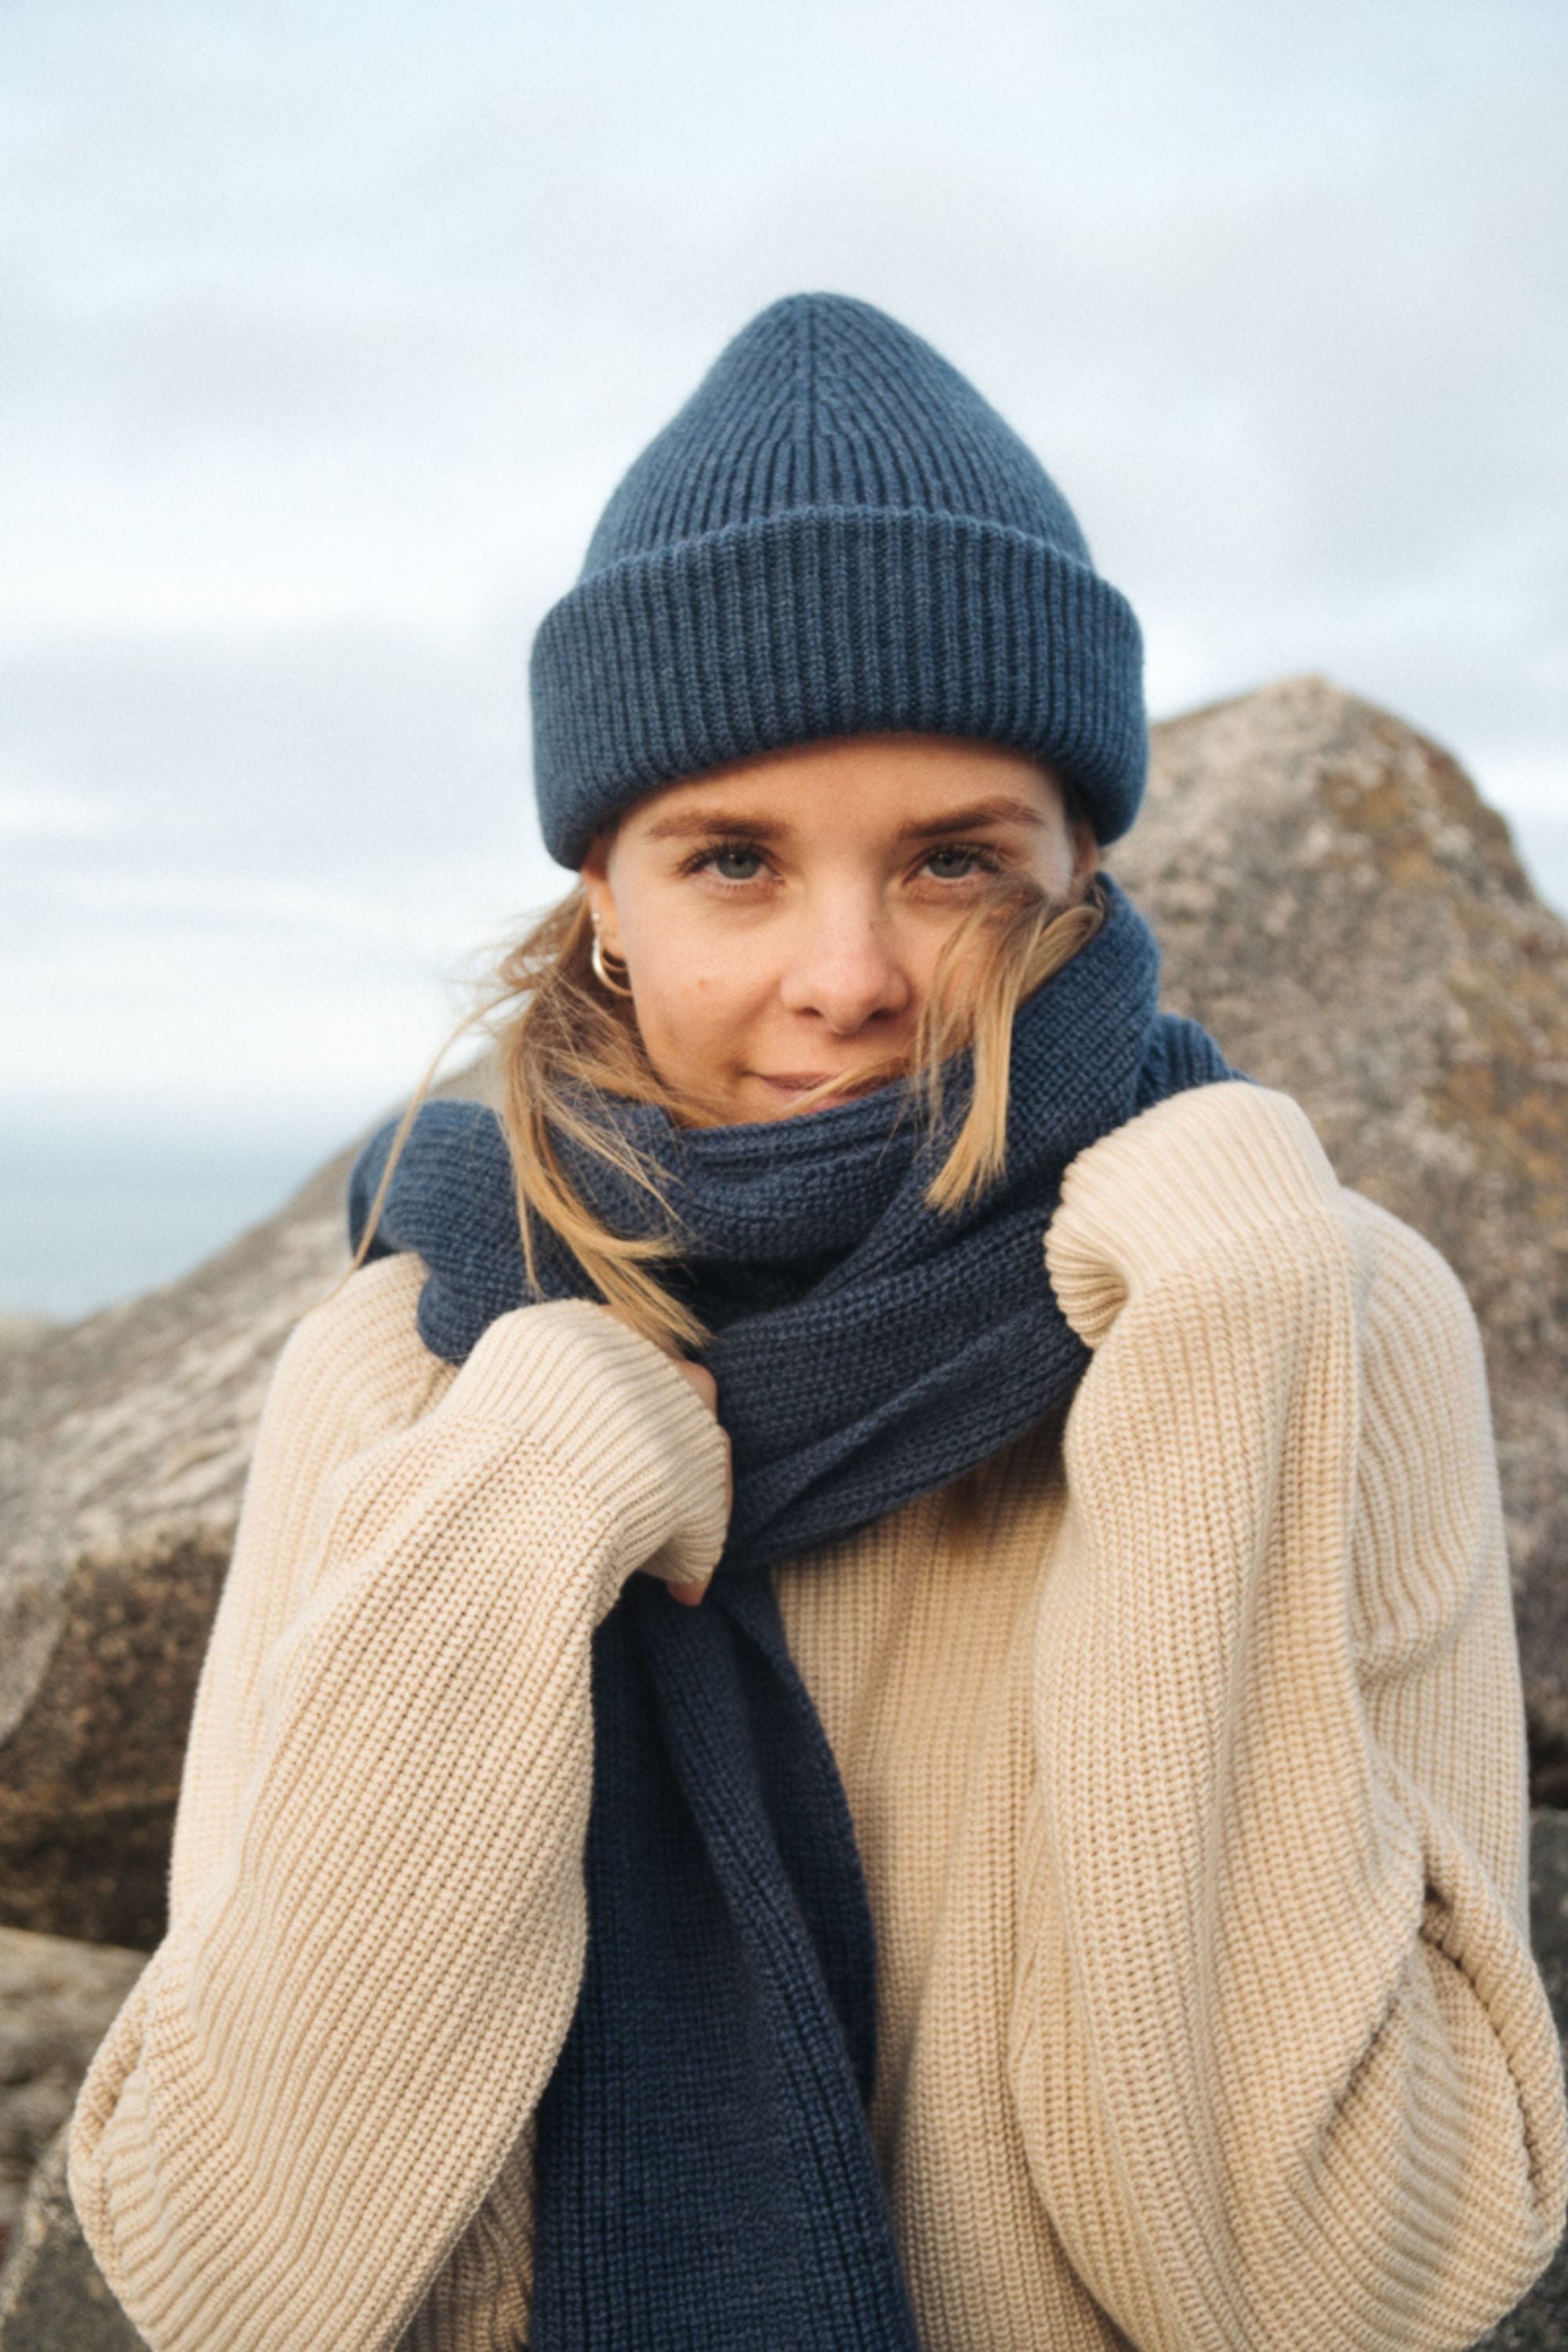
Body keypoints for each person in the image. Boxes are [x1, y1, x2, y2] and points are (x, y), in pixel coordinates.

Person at [67, 292, 1567, 2352]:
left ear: (1080, 862)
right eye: (737, 859)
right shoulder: (410, 1370)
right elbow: (232, 2274)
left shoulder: (1317, 1317)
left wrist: (1221, 1381)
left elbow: (1327, 2292)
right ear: (604, 882)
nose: (849, 973)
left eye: (951, 862)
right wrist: (516, 1508)